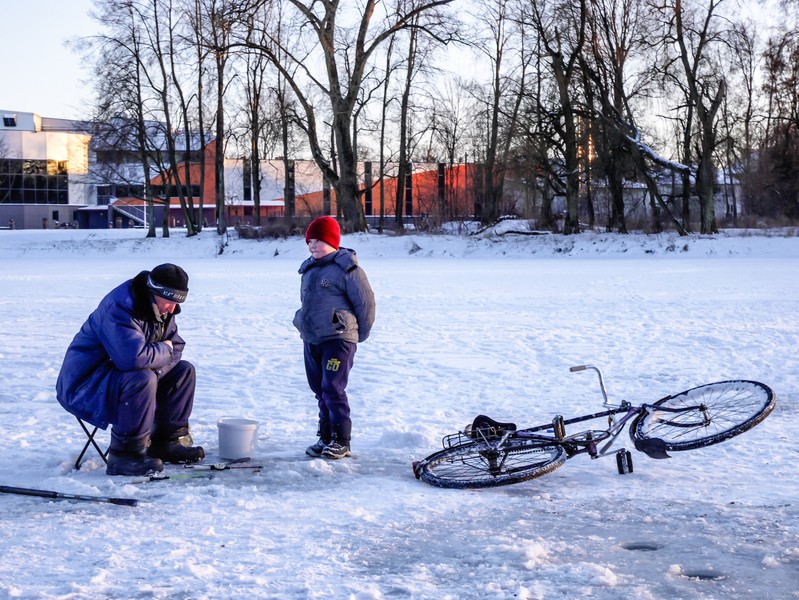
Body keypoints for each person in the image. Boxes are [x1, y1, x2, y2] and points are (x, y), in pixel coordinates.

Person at [56, 263, 204, 476]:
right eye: (169, 302)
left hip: (118, 379)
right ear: (155, 291)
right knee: (142, 378)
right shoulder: (120, 307)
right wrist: (162, 352)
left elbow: (177, 347)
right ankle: (125, 455)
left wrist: (156, 359)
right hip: (86, 384)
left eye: (177, 303)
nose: (173, 310)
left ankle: (165, 442)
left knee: (183, 372)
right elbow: (131, 358)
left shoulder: (162, 309)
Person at [293, 216, 375, 459]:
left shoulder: (347, 269)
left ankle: (341, 439)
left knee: (333, 388)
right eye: (310, 242)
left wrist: (359, 334)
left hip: (338, 339)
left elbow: (365, 304)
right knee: (319, 388)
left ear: (333, 242)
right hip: (312, 338)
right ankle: (326, 437)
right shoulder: (308, 268)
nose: (313, 246)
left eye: (319, 241)